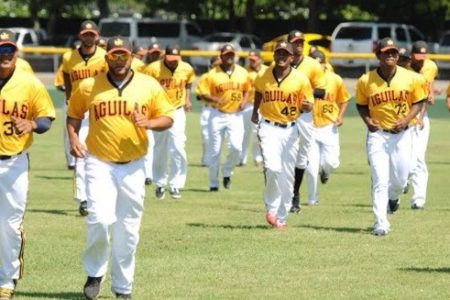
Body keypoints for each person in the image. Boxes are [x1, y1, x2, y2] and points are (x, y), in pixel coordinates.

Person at [66, 36, 173, 299]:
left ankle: (123, 288)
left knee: (128, 227)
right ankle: (95, 272)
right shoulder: (90, 85)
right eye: (114, 55)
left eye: (123, 54)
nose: (119, 60)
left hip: (134, 166)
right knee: (100, 219)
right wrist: (73, 138)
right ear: (107, 57)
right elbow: (74, 115)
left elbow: (167, 118)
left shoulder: (148, 85)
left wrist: (149, 122)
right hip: (99, 162)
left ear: (131, 57)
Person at [0, 29, 55, 300]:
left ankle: (7, 279)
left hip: (13, 163)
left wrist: (32, 123)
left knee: (9, 225)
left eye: (9, 49)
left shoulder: (29, 83)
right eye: (0, 49)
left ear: (16, 53)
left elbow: (46, 118)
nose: (5, 54)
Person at [355, 37, 427, 236]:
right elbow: (361, 105)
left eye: (394, 52)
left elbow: (419, 101)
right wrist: (368, 121)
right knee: (380, 180)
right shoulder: (366, 80)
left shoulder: (411, 78)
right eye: (386, 52)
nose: (391, 55)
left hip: (403, 135)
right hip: (378, 136)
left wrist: (407, 120)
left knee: (401, 180)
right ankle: (381, 223)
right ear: (378, 55)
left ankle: (394, 198)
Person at [252, 40, 313, 229]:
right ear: (274, 55)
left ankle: (282, 215)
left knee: (287, 175)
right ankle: (271, 208)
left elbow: (309, 103)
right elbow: (259, 92)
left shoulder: (301, 78)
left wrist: (306, 106)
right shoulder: (264, 75)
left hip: (290, 129)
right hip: (268, 126)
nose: (281, 57)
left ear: (291, 58)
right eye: (278, 53)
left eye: (285, 54)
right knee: (272, 168)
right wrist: (255, 111)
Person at [62, 20, 107, 216]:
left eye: (92, 34)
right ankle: (83, 198)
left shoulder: (105, 57)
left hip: (100, 110)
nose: (89, 37)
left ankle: (101, 195)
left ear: (97, 36)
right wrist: (69, 99)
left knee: (103, 154)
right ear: (80, 35)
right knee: (80, 154)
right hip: (79, 111)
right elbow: (66, 77)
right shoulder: (69, 57)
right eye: (85, 33)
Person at [142, 45, 195, 199]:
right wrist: (158, 89)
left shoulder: (186, 68)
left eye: (176, 60)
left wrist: (187, 99)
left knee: (178, 146)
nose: (173, 62)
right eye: (170, 60)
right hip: (159, 111)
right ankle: (160, 183)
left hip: (177, 110)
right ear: (164, 57)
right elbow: (144, 87)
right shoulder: (152, 69)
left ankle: (176, 184)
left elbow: (189, 83)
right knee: (160, 148)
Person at [200, 43, 250, 191]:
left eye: (231, 55)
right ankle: (213, 183)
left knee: (237, 147)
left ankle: (227, 171)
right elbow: (202, 93)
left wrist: (244, 102)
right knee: (215, 150)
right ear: (221, 56)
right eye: (226, 55)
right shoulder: (212, 74)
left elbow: (247, 90)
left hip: (236, 115)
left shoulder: (242, 72)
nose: (229, 57)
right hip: (217, 114)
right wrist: (215, 100)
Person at [287, 30, 326, 214]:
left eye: (301, 42)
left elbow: (322, 91)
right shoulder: (280, 63)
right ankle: (285, 194)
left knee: (302, 156)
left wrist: (307, 96)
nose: (299, 45)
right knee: (283, 155)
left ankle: (295, 194)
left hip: (304, 114)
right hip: (283, 113)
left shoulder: (312, 65)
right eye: (295, 42)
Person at [305, 50, 350, 205]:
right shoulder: (304, 80)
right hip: (310, 127)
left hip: (329, 127)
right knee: (310, 167)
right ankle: (312, 198)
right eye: (315, 63)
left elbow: (344, 100)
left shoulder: (335, 79)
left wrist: (341, 116)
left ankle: (325, 171)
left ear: (325, 63)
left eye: (321, 62)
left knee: (331, 162)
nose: (318, 66)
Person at [405, 40, 438, 209]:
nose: (421, 60)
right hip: (402, 118)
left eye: (423, 57)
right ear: (412, 56)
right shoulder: (404, 68)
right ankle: (401, 181)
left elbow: (426, 91)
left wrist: (420, 116)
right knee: (403, 159)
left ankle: (419, 199)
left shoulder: (430, 66)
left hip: (419, 118)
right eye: (418, 57)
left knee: (418, 158)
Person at [239, 51, 267, 167]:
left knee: (259, 132)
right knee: (244, 132)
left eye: (254, 59)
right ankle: (242, 158)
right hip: (248, 105)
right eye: (250, 59)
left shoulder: (267, 70)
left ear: (260, 59)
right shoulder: (245, 72)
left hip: (262, 105)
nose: (252, 62)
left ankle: (258, 157)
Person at [195, 56, 221, 167]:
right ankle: (206, 159)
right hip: (208, 108)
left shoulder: (226, 78)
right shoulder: (206, 77)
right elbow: (198, 96)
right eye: (216, 65)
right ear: (211, 66)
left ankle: (214, 160)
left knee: (217, 137)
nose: (218, 67)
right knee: (206, 136)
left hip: (221, 111)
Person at [142, 42, 162, 185]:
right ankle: (146, 173)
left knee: (155, 144)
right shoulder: (140, 68)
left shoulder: (162, 68)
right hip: (143, 109)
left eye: (157, 53)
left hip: (158, 109)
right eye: (152, 53)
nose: (154, 55)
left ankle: (149, 173)